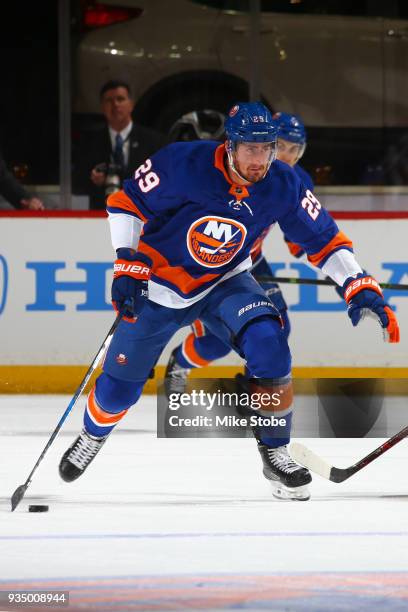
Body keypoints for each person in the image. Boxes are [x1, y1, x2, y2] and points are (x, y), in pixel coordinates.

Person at [58, 102, 399, 502]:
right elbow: (128, 204)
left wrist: (358, 283)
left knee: (271, 343)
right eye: (250, 149)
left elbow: (323, 239)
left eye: (267, 148)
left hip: (227, 281)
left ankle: (276, 452)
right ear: (230, 145)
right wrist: (127, 261)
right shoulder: (182, 163)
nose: (259, 160)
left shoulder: (283, 183)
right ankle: (92, 435)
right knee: (117, 392)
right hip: (161, 284)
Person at [164, 111, 312, 396]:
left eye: (295, 149)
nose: (288, 156)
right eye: (281, 146)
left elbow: (297, 231)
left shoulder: (295, 181)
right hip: (213, 265)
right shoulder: (236, 172)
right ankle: (179, 364)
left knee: (278, 328)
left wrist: (302, 242)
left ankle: (252, 389)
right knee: (216, 344)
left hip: (252, 262)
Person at [72, 79, 166, 210]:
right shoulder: (90, 143)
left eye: (120, 99)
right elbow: (77, 184)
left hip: (143, 215)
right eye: (109, 101)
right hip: (101, 217)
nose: (115, 104)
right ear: (102, 107)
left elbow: (164, 181)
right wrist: (94, 182)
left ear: (131, 104)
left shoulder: (153, 141)